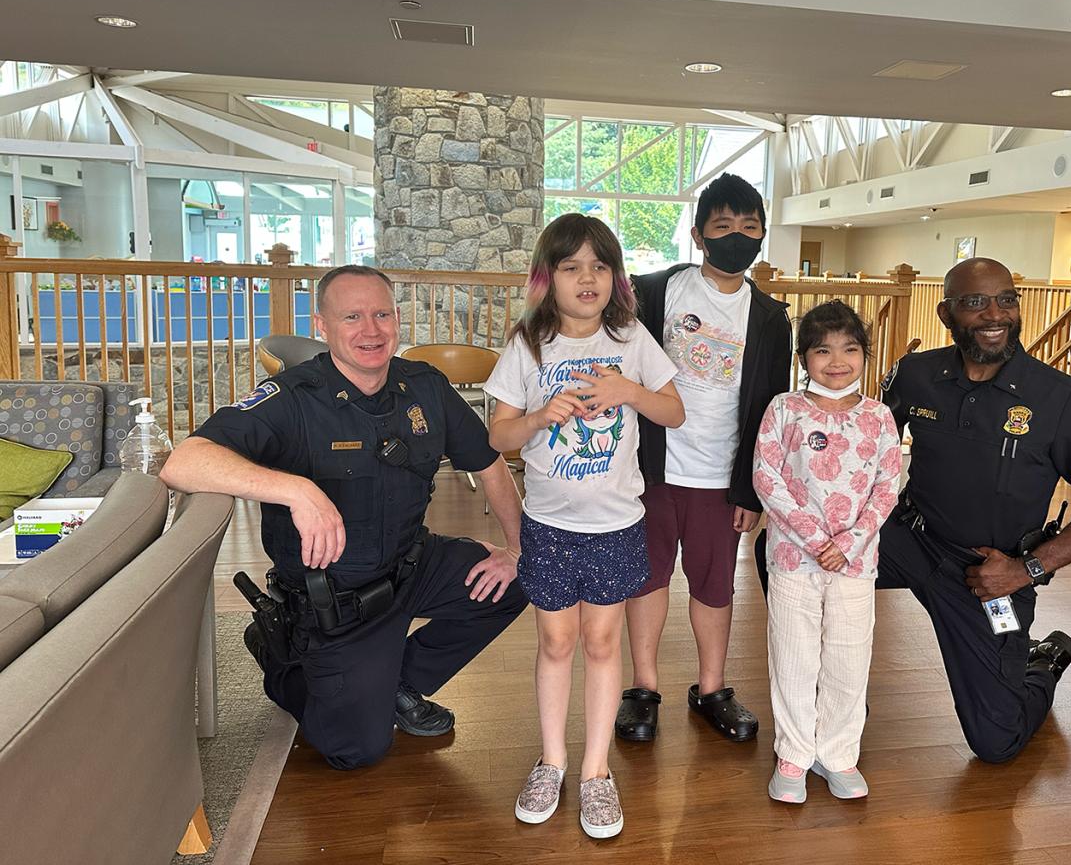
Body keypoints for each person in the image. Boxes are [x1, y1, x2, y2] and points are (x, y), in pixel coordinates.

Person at [160, 265, 527, 771]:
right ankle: (280, 656)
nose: (371, 331)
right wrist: (295, 488)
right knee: (356, 750)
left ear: (398, 319)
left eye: (381, 314)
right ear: (323, 325)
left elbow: (489, 464)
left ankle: (395, 681)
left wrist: (515, 550)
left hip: (410, 566)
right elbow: (183, 462)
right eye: (351, 316)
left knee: (523, 580)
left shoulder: (425, 386)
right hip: (334, 600)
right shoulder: (293, 398)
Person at [877, 257, 1071, 763]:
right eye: (975, 302)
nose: (994, 314)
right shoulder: (915, 374)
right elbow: (866, 446)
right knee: (781, 553)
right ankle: (825, 696)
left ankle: (1043, 662)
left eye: (1005, 300)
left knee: (997, 741)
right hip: (908, 541)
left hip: (989, 574)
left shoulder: (1059, 398)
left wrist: (1026, 570)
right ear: (946, 313)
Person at [485, 213, 683, 839]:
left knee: (603, 645)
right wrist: (541, 416)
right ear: (547, 278)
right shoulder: (528, 344)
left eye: (600, 266)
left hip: (618, 524)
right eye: (571, 267)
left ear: (616, 277)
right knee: (555, 644)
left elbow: (673, 411)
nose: (587, 278)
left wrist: (629, 391)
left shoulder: (631, 339)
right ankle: (553, 762)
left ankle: (596, 773)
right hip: (549, 525)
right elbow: (498, 433)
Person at [615, 172, 791, 744]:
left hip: (723, 478)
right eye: (723, 226)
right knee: (647, 580)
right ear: (698, 235)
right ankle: (643, 688)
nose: (737, 237)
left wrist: (752, 490)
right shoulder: (653, 291)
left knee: (715, 585)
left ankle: (712, 688)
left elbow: (770, 407)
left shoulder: (770, 317)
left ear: (762, 235)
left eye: (749, 227)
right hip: (650, 471)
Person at [753, 301, 901, 803]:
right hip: (795, 558)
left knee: (848, 656)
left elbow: (888, 486)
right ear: (804, 357)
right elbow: (766, 478)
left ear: (864, 354)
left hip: (857, 562)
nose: (837, 361)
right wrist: (817, 541)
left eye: (850, 349)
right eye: (823, 350)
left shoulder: (880, 417)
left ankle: (838, 754)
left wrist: (849, 543)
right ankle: (793, 754)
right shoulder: (784, 409)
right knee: (794, 654)